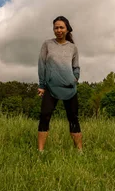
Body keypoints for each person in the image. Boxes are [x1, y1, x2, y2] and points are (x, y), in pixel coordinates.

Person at [37, 15, 82, 152]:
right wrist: (42, 85)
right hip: (51, 88)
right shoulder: (47, 44)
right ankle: (40, 151)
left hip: (69, 88)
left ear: (67, 29)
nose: (58, 30)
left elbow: (76, 67)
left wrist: (75, 79)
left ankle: (79, 151)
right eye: (56, 28)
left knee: (73, 117)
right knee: (45, 115)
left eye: (61, 27)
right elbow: (42, 65)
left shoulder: (73, 48)